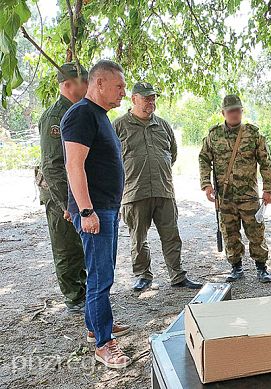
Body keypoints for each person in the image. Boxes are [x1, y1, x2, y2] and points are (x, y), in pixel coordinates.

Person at [62, 60, 131, 369]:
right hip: (95, 210)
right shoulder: (80, 115)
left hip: (106, 208)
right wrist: (85, 209)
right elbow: (73, 165)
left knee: (102, 273)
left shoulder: (99, 116)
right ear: (99, 83)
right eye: (119, 86)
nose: (123, 93)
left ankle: (95, 326)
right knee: (101, 277)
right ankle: (104, 345)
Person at [113, 82, 202, 292]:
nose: (150, 102)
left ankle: (177, 275)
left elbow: (172, 154)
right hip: (134, 192)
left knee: (171, 236)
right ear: (134, 99)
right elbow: (110, 161)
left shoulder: (163, 125)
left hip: (164, 190)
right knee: (138, 239)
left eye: (153, 98)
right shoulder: (119, 126)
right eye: (146, 98)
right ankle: (143, 276)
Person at [198, 95, 271, 283]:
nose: (234, 113)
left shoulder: (253, 134)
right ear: (223, 112)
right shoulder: (213, 136)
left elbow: (265, 162)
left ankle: (261, 268)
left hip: (249, 195)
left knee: (256, 232)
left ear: (242, 111)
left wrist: (268, 189)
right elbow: (204, 159)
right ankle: (236, 267)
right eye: (231, 110)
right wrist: (206, 184)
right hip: (225, 196)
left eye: (237, 110)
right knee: (229, 232)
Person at [36, 62, 88, 313]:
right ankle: (74, 298)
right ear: (68, 85)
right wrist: (66, 203)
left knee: (78, 244)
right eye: (84, 81)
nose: (88, 85)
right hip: (60, 193)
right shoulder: (56, 117)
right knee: (66, 245)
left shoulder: (77, 111)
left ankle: (83, 290)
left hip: (74, 192)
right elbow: (53, 165)